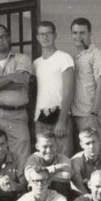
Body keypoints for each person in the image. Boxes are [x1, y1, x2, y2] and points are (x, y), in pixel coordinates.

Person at [0, 25, 33, 159]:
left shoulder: (22, 59)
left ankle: (20, 180)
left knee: (21, 153)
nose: (0, 40)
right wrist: (10, 77)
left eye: (3, 37)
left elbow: (21, 83)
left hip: (17, 113)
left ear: (9, 38)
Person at [33, 21, 75, 157]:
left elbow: (69, 91)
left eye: (48, 33)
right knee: (43, 160)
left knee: (64, 159)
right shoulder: (36, 63)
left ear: (55, 35)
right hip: (40, 118)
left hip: (59, 116)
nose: (45, 37)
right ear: (37, 37)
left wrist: (62, 121)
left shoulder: (64, 58)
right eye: (41, 34)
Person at [70, 18, 101, 154]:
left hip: (90, 114)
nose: (78, 36)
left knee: (94, 153)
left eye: (82, 33)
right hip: (78, 114)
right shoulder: (78, 56)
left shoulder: (97, 55)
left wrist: (94, 113)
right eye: (75, 33)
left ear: (89, 34)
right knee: (82, 155)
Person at [24, 132, 74, 201]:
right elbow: (29, 177)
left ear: (56, 146)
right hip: (38, 195)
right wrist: (58, 167)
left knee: (60, 185)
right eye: (45, 147)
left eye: (52, 146)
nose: (49, 150)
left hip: (57, 193)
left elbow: (66, 176)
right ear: (37, 146)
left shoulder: (63, 159)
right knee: (35, 185)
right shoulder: (33, 159)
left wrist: (41, 177)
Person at [70, 127, 101, 196]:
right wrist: (90, 200)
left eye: (94, 142)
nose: (91, 146)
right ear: (82, 145)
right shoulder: (76, 160)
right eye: (87, 143)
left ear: (99, 142)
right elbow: (77, 185)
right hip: (86, 192)